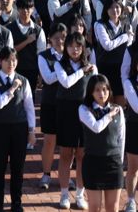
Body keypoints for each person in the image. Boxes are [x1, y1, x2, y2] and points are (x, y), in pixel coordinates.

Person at [0, 47, 36, 212]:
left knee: (18, 167)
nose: (11, 64)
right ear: (1, 61)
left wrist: (31, 130)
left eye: (14, 60)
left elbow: (29, 107)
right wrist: (12, 88)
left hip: (19, 128)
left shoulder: (24, 80)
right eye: (7, 60)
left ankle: (17, 202)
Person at [56, 30, 97, 209]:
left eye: (78, 46)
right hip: (66, 111)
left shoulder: (92, 67)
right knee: (66, 154)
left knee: (82, 155)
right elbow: (66, 83)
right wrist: (81, 71)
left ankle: (80, 194)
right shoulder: (60, 64)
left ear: (83, 48)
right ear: (66, 48)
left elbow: (97, 91)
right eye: (71, 46)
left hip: (85, 112)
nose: (75, 50)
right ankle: (64, 194)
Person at [78, 75, 124, 212]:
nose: (102, 94)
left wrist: (119, 161)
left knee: (113, 208)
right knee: (94, 207)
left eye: (105, 89)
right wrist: (109, 115)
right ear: (91, 92)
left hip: (113, 163)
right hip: (93, 163)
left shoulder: (118, 110)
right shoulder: (84, 109)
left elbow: (121, 139)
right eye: (97, 90)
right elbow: (96, 127)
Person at [37, 23, 66, 190]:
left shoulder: (73, 54)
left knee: (66, 144)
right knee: (49, 141)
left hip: (68, 104)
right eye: (56, 38)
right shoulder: (43, 56)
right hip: (50, 102)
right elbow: (47, 79)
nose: (60, 41)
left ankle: (65, 176)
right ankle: (46, 174)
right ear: (50, 39)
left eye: (63, 37)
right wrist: (67, 72)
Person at [123, 55, 138, 212]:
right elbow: (136, 106)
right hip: (135, 127)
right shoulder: (129, 83)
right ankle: (131, 200)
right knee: (133, 167)